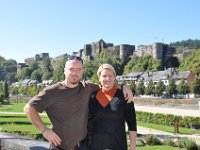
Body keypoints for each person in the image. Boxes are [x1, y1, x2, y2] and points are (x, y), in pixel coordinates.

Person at [23, 56, 134, 150]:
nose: (75, 73)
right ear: (64, 70)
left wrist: (123, 86)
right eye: (71, 69)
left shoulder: (87, 88)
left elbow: (106, 84)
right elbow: (29, 108)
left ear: (82, 71)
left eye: (78, 69)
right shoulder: (52, 91)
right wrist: (44, 130)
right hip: (59, 146)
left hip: (82, 146)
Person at [88, 64, 137, 150]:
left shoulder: (124, 95)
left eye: (110, 75)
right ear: (99, 78)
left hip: (118, 145)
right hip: (96, 145)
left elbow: (132, 123)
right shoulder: (93, 97)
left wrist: (133, 147)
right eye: (104, 76)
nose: (107, 78)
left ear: (115, 77)